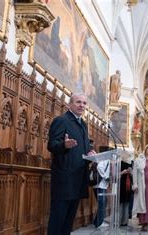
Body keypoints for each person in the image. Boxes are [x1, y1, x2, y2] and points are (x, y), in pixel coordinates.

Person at [47, 93, 96, 235]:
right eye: (78, 102)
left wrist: (90, 152)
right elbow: (51, 145)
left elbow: (84, 146)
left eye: (84, 103)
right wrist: (64, 145)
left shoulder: (83, 124)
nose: (82, 105)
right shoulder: (61, 120)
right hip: (64, 178)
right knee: (58, 218)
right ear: (70, 104)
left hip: (78, 178)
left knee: (69, 220)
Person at [91, 160, 110, 228]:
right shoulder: (106, 160)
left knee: (102, 204)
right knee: (102, 204)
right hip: (100, 185)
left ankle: (96, 221)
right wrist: (106, 177)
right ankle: (99, 223)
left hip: (100, 185)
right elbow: (99, 167)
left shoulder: (106, 160)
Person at [120, 155, 133, 227]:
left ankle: (125, 221)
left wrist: (130, 172)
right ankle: (119, 220)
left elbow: (134, 176)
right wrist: (122, 172)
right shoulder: (118, 164)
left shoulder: (130, 164)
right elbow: (114, 176)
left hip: (128, 186)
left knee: (127, 204)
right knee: (121, 204)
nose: (126, 157)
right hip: (120, 185)